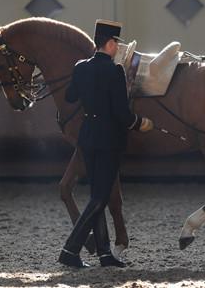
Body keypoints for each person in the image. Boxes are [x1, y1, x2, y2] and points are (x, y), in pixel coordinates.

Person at [58, 19, 154, 268]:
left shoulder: (81, 67)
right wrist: (140, 123)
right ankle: (70, 250)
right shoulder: (115, 71)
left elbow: (70, 97)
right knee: (100, 197)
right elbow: (122, 114)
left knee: (95, 196)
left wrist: (80, 76)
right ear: (110, 43)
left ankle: (104, 253)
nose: (117, 49)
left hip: (88, 137)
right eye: (117, 44)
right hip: (109, 140)